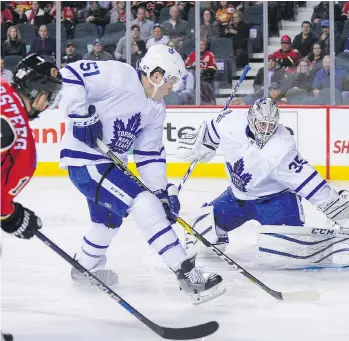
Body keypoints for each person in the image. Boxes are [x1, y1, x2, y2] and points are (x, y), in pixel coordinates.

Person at [57, 45, 225, 304]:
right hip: (86, 160)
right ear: (157, 75)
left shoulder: (156, 108)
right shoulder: (120, 75)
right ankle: (186, 272)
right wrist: (80, 114)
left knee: (108, 221)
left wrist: (161, 193)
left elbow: (149, 155)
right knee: (142, 202)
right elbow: (70, 73)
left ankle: (84, 268)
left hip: (109, 165)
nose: (174, 87)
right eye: (172, 80)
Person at [177, 97, 349, 269]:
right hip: (237, 198)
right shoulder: (230, 122)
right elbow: (213, 127)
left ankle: (335, 245)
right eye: (262, 124)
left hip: (276, 201)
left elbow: (309, 181)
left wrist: (338, 207)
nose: (266, 130)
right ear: (252, 119)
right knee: (198, 235)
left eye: (271, 125)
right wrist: (206, 143)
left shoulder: (281, 148)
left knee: (283, 251)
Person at [1, 54, 63, 341]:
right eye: (48, 95)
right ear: (35, 90)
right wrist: (12, 216)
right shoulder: (17, 135)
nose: (49, 103)